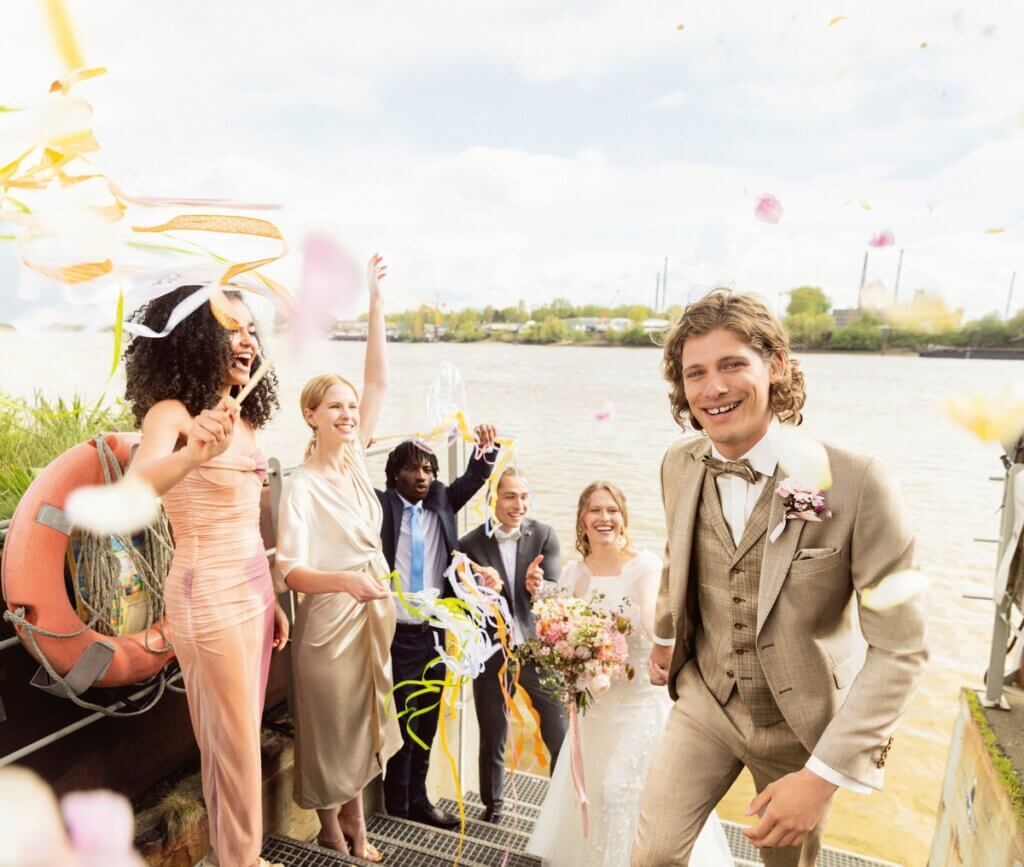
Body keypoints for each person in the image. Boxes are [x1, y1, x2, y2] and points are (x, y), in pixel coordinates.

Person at [631, 290, 929, 866]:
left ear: (777, 366)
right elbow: (678, 553)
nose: (713, 389)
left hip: (802, 726)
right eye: (696, 373)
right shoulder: (678, 463)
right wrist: (666, 636)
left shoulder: (859, 481)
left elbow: (902, 650)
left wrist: (821, 777)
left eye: (732, 364)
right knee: (653, 855)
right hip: (706, 701)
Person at [125, 285, 289, 867]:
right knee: (235, 746)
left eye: (250, 329)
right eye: (230, 329)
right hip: (208, 596)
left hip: (251, 590)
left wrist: (273, 600)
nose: (246, 341)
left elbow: (249, 522)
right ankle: (242, 859)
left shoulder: (242, 416)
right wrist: (193, 452)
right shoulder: (172, 414)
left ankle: (235, 854)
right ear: (195, 339)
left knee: (234, 739)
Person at [527, 482, 733, 867]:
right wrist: (543, 600)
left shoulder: (644, 566)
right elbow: (563, 627)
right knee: (588, 789)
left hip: (639, 704)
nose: (605, 518)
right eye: (595, 511)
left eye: (612, 511)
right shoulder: (574, 574)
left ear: (623, 519)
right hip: (595, 709)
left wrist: (662, 643)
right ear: (582, 521)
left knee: (617, 789)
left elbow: (656, 614)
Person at [274, 256, 397, 861]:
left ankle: (358, 828)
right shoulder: (298, 485)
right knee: (328, 734)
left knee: (363, 726)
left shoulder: (352, 462)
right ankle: (332, 827)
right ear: (311, 417)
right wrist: (348, 582)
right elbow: (288, 572)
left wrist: (375, 303)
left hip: (370, 613)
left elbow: (377, 384)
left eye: (351, 408)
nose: (350, 415)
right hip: (325, 625)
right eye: (336, 408)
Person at [377, 427, 498, 828]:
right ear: (395, 474)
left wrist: (485, 448)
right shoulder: (380, 507)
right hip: (393, 633)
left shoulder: (442, 500)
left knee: (426, 720)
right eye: (413, 468)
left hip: (434, 633)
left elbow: (475, 477)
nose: (423, 476)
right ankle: (396, 806)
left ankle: (419, 801)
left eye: (428, 469)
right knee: (400, 720)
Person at [457, 467, 567, 822]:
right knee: (493, 733)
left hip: (536, 651)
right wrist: (479, 590)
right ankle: (494, 809)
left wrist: (540, 587)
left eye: (523, 496)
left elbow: (555, 590)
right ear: (493, 499)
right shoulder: (469, 544)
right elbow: (461, 603)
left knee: (558, 729)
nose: (518, 504)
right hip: (491, 652)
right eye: (509, 496)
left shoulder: (544, 535)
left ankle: (562, 806)